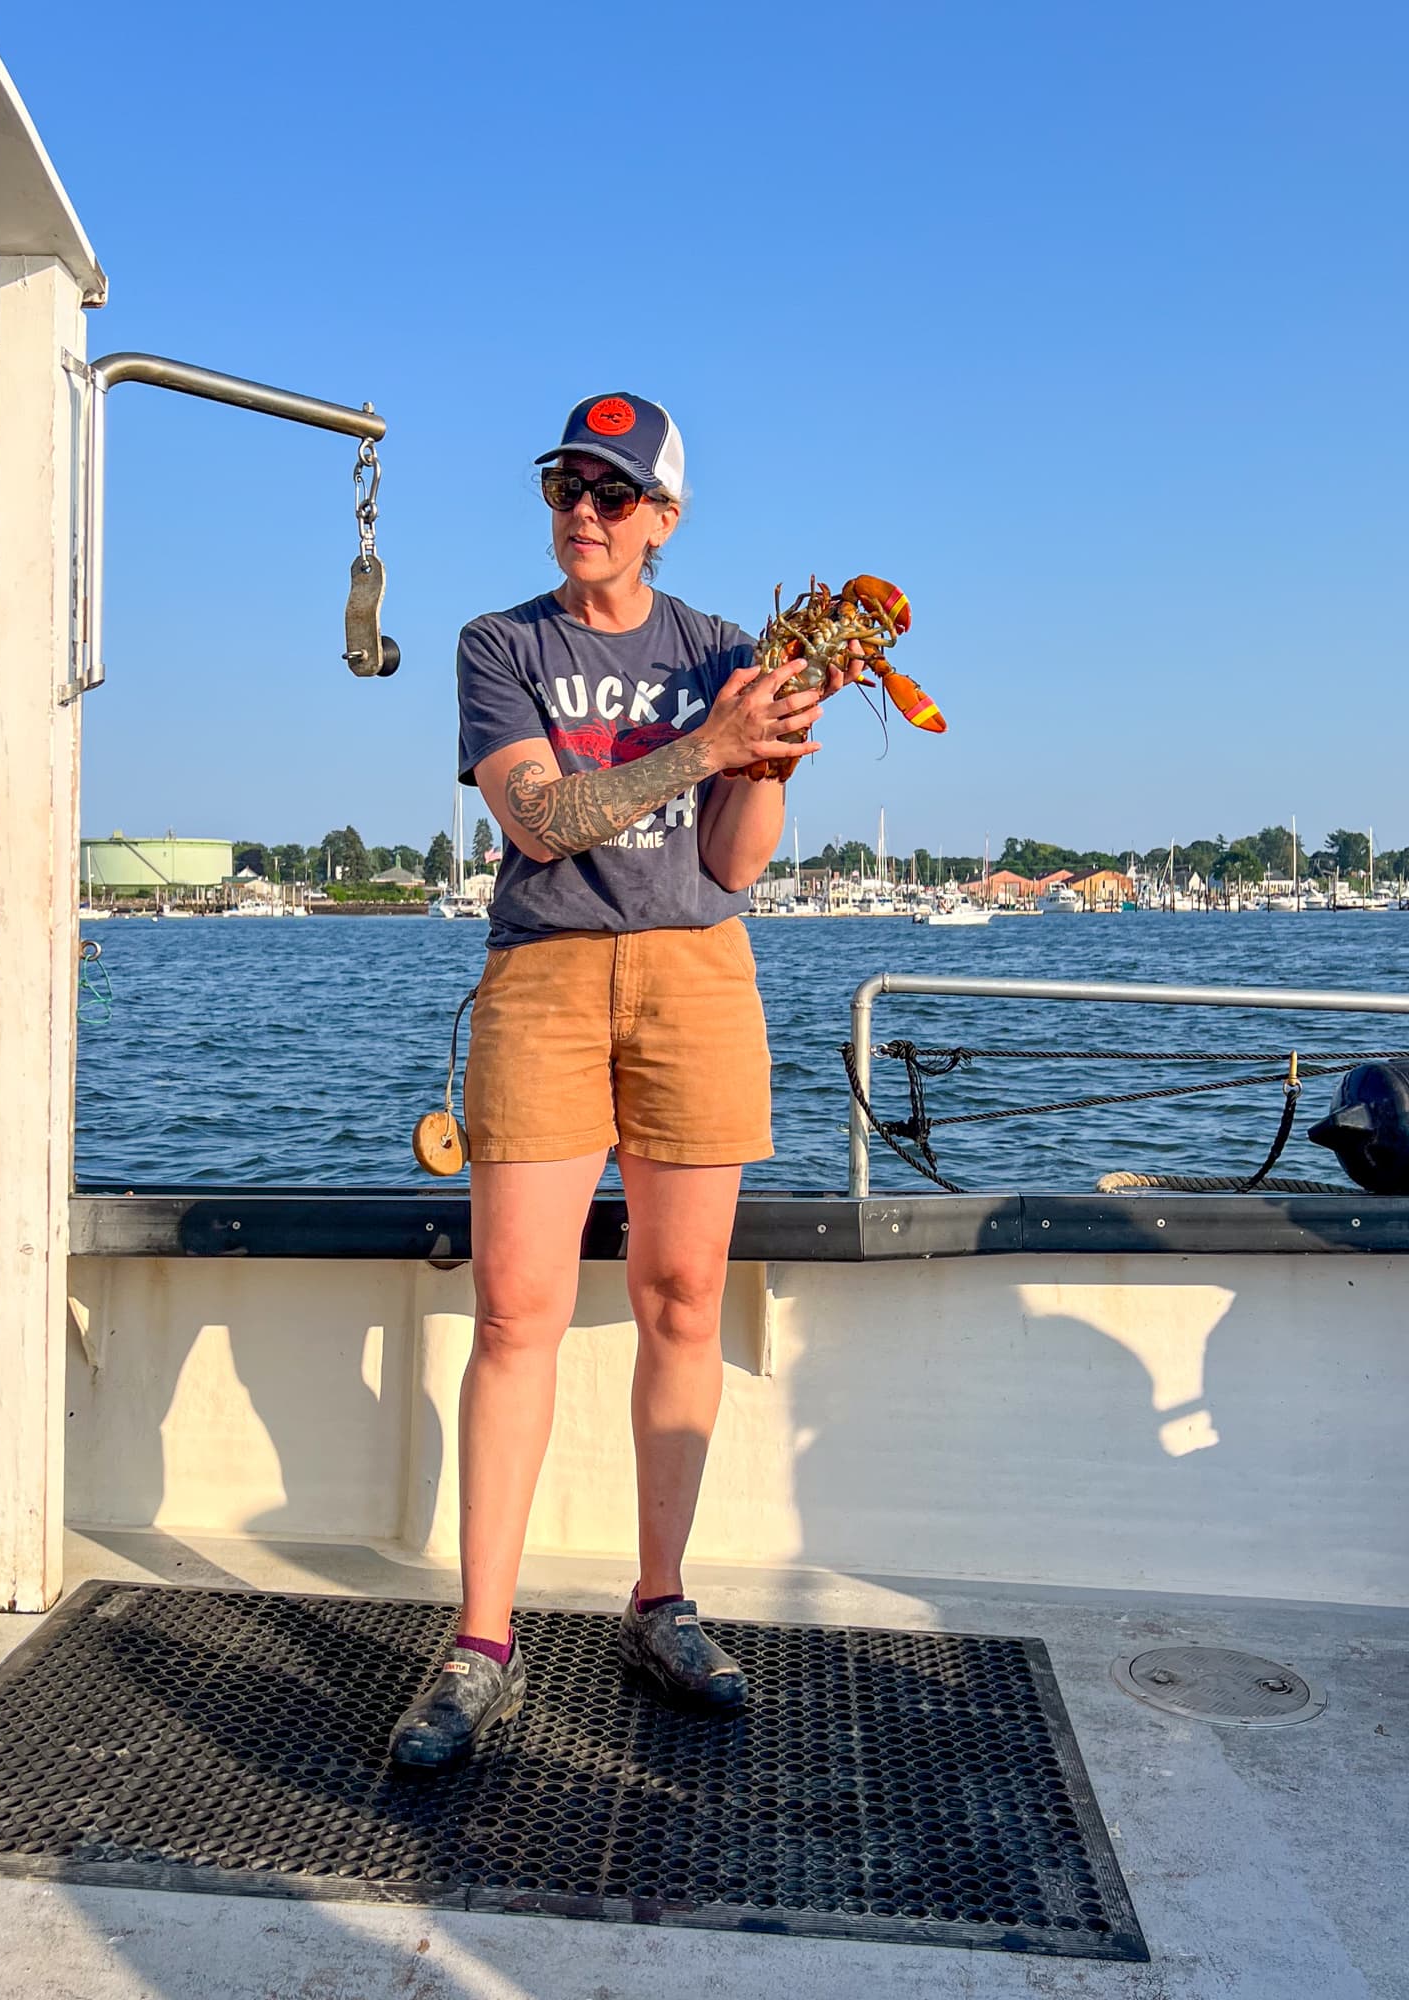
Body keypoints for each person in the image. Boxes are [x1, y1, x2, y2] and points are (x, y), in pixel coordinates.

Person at [389, 392, 858, 1772]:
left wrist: (766, 750)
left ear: (663, 516)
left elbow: (732, 862)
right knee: (518, 1307)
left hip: (699, 976)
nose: (581, 511)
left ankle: (661, 1599)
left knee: (684, 1297)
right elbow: (536, 817)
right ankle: (483, 1642)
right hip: (543, 977)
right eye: (563, 486)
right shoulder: (502, 644)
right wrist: (706, 743)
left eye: (611, 491)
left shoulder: (724, 648)